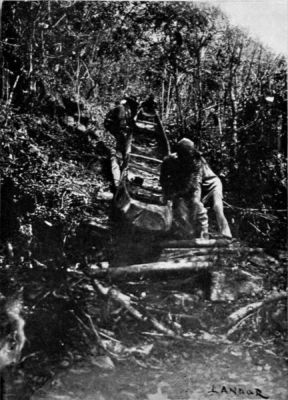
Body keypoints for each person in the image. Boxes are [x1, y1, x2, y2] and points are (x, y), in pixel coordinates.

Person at [160, 138, 232, 239]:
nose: (187, 157)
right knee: (182, 203)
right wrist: (167, 193)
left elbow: (193, 186)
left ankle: (222, 233)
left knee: (215, 206)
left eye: (189, 155)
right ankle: (188, 232)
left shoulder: (197, 162)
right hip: (197, 184)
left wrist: (175, 194)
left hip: (212, 184)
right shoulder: (169, 161)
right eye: (184, 154)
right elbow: (163, 179)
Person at [104, 96, 138, 189]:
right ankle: (118, 184)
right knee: (117, 160)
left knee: (120, 160)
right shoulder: (121, 110)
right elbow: (120, 124)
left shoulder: (123, 110)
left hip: (120, 137)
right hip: (118, 137)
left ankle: (119, 182)